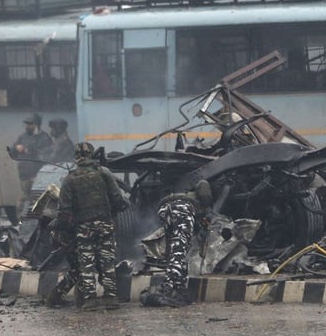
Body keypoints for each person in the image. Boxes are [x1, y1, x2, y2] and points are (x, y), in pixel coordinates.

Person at [56, 142, 128, 311]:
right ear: (92, 155)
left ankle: (90, 300)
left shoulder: (70, 179)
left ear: (76, 157)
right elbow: (118, 199)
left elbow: (64, 211)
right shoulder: (103, 173)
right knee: (107, 260)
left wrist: (66, 229)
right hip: (105, 224)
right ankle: (111, 297)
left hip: (84, 227)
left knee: (86, 263)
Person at [140, 180, 214, 308]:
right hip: (182, 208)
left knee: (175, 250)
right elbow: (203, 187)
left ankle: (179, 287)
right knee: (179, 250)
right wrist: (208, 211)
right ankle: (168, 288)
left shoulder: (187, 197)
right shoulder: (200, 194)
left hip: (165, 209)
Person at [11, 113, 53, 219]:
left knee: (37, 199)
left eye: (30, 124)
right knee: (25, 198)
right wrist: (16, 149)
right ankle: (23, 220)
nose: (27, 126)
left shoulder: (44, 138)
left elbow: (45, 156)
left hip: (37, 175)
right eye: (26, 124)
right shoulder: (23, 137)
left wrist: (28, 151)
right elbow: (13, 153)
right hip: (25, 175)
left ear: (36, 125)